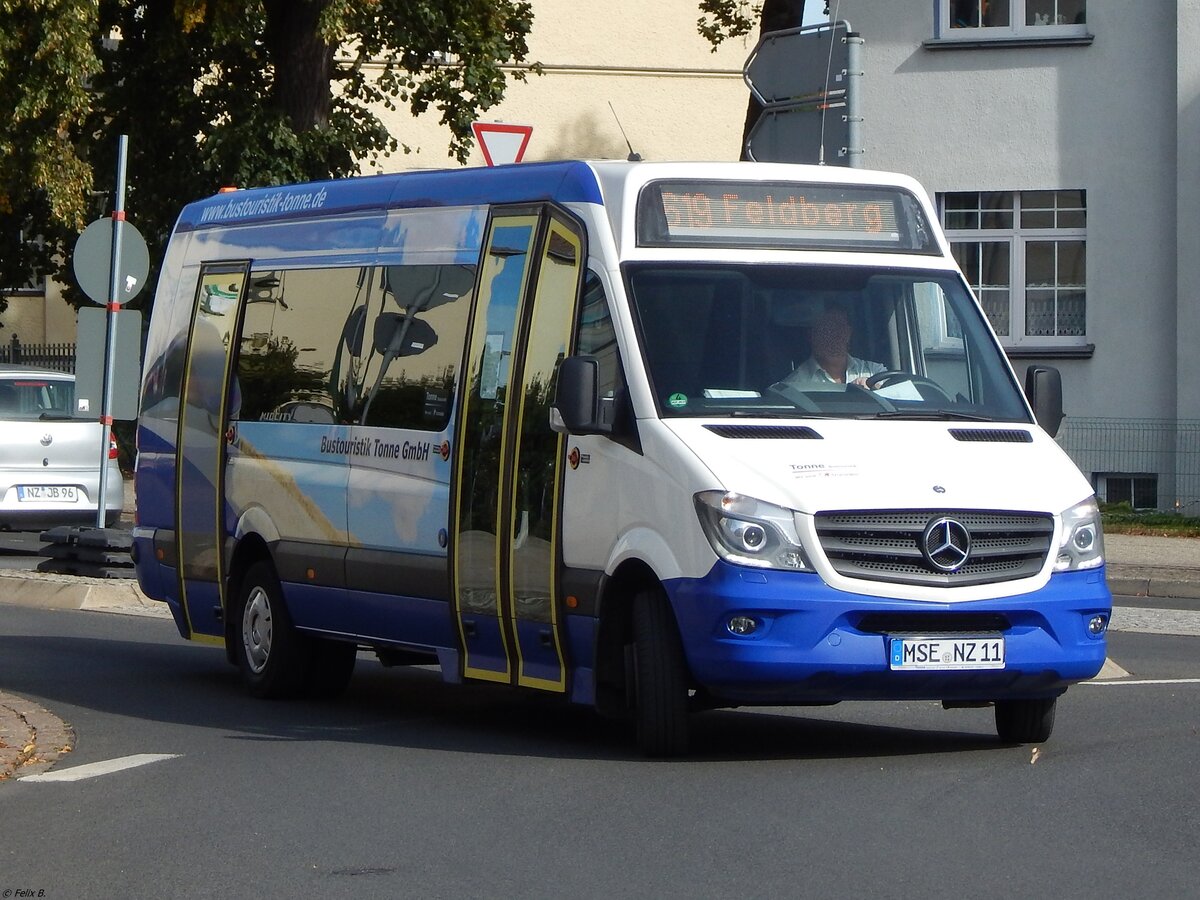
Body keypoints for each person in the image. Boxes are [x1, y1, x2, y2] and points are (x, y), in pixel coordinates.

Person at [779, 304, 884, 389]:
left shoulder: (874, 371)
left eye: (839, 327)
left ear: (848, 333)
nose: (833, 335)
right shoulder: (796, 384)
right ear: (811, 336)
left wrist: (877, 388)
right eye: (825, 329)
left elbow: (896, 394)